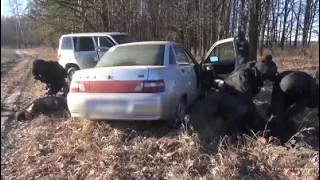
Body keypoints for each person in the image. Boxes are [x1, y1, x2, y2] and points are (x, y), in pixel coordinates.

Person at [210, 55, 278, 136]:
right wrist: (260, 125)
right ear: (262, 75)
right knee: (242, 110)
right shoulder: (243, 78)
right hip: (223, 101)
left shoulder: (254, 70)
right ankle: (227, 135)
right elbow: (247, 103)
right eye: (266, 78)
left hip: (235, 98)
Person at [266, 70, 319, 143]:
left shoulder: (309, 88)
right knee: (274, 112)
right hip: (286, 91)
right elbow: (275, 102)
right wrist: (276, 116)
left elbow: (300, 106)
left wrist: (286, 117)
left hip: (308, 94)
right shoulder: (280, 79)